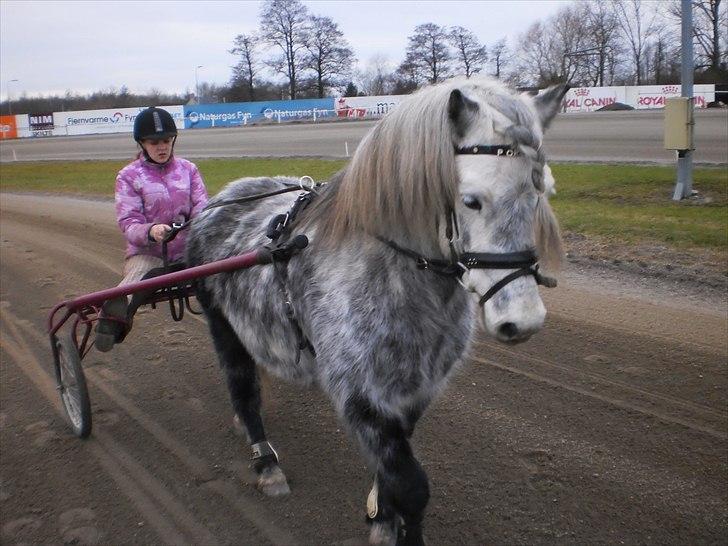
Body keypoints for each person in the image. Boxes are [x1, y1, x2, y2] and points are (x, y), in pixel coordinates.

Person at [95, 107, 209, 352]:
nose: (162, 147)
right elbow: (128, 222)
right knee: (135, 280)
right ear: (142, 143)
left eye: (166, 140)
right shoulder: (128, 176)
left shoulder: (189, 170)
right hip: (149, 254)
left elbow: (203, 207)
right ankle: (113, 319)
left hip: (190, 249)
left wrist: (201, 225)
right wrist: (152, 231)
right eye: (154, 142)